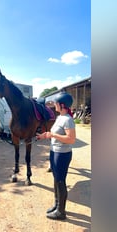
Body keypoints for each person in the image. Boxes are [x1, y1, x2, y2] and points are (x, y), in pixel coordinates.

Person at [36, 92, 76, 220]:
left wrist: (53, 135)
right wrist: (45, 135)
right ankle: (57, 205)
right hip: (55, 151)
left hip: (62, 154)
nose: (54, 105)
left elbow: (71, 139)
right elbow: (53, 133)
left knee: (60, 181)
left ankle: (61, 212)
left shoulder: (68, 120)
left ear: (62, 105)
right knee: (55, 179)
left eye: (56, 103)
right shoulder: (60, 117)